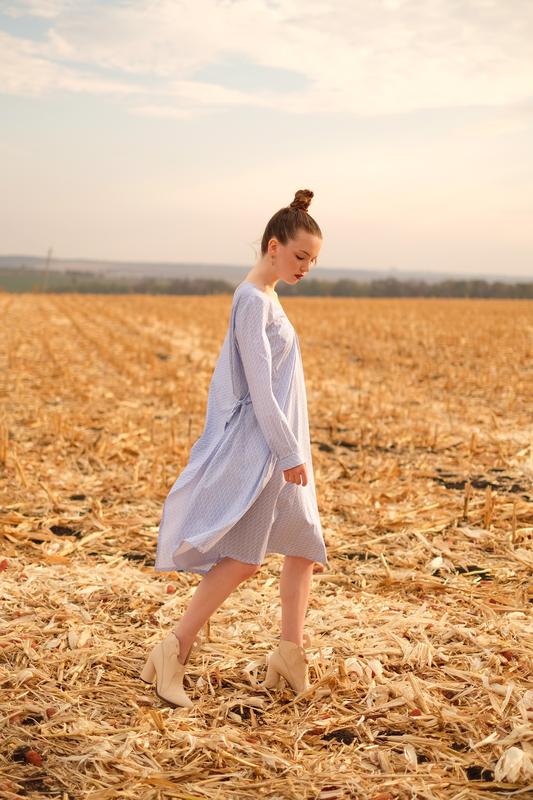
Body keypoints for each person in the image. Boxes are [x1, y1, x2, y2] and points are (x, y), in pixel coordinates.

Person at [140, 188, 328, 708]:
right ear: (273, 246)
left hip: (285, 444)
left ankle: (289, 656)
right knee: (245, 558)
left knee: (303, 545)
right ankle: (173, 649)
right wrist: (288, 453)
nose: (306, 268)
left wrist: (295, 449)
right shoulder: (251, 300)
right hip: (265, 449)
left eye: (312, 261)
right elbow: (262, 389)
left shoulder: (269, 297)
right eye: (299, 256)